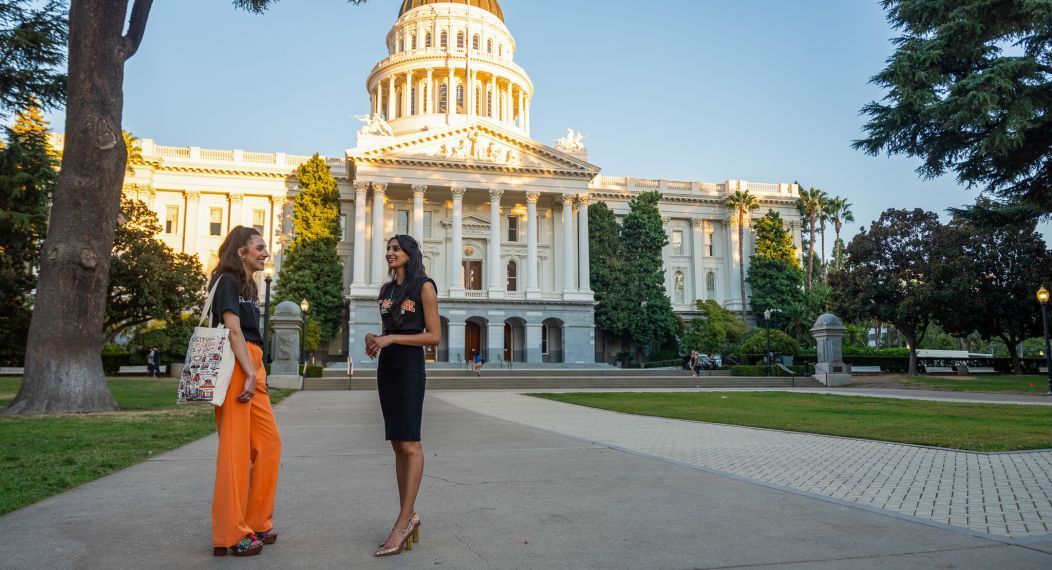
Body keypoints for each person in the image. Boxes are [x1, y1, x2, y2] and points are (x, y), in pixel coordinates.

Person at [365, 235, 440, 557]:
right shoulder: (386, 291)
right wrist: (375, 338)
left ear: (410, 254)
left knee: (410, 442)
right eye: (389, 248)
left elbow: (434, 336)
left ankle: (403, 521)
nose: (390, 253)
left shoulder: (424, 285)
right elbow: (388, 331)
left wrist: (392, 338)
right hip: (388, 367)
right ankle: (408, 514)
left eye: (396, 249)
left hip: (410, 367)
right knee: (397, 442)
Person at [208, 226, 281, 557]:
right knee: (235, 451)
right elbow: (232, 330)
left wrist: (256, 370)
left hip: (254, 363)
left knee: (268, 445)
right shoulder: (226, 280)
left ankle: (257, 521)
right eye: (259, 247)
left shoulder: (249, 286)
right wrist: (249, 373)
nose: (265, 253)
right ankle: (230, 534)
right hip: (236, 365)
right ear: (241, 251)